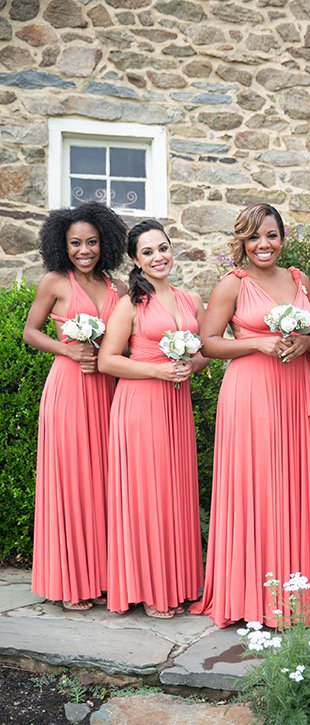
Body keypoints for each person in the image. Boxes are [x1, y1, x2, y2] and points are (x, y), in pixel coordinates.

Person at [190, 203, 310, 628]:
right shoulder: (233, 283)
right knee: (257, 484)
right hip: (250, 393)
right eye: (253, 237)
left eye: (271, 235)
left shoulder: (300, 280)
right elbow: (209, 343)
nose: (263, 244)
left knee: (296, 483)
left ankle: (296, 595)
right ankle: (249, 595)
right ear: (242, 242)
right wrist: (256, 343)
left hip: (296, 389)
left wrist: (305, 344)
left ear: (282, 239)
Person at [98, 220, 207, 618]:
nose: (159, 257)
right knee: (147, 495)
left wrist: (189, 366)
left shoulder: (191, 299)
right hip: (140, 405)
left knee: (175, 493)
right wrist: (158, 370)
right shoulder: (130, 304)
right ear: (136, 260)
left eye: (163, 248)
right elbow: (108, 360)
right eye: (148, 252)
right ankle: (149, 589)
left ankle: (177, 584)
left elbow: (205, 352)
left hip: (176, 404)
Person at [23, 202, 127, 611]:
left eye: (92, 242)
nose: (85, 250)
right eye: (75, 243)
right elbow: (31, 332)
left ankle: (101, 577)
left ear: (106, 243)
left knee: (104, 483)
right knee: (72, 482)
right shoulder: (55, 282)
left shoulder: (118, 288)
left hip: (107, 392)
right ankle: (70, 583)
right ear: (62, 246)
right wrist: (67, 350)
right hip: (68, 390)